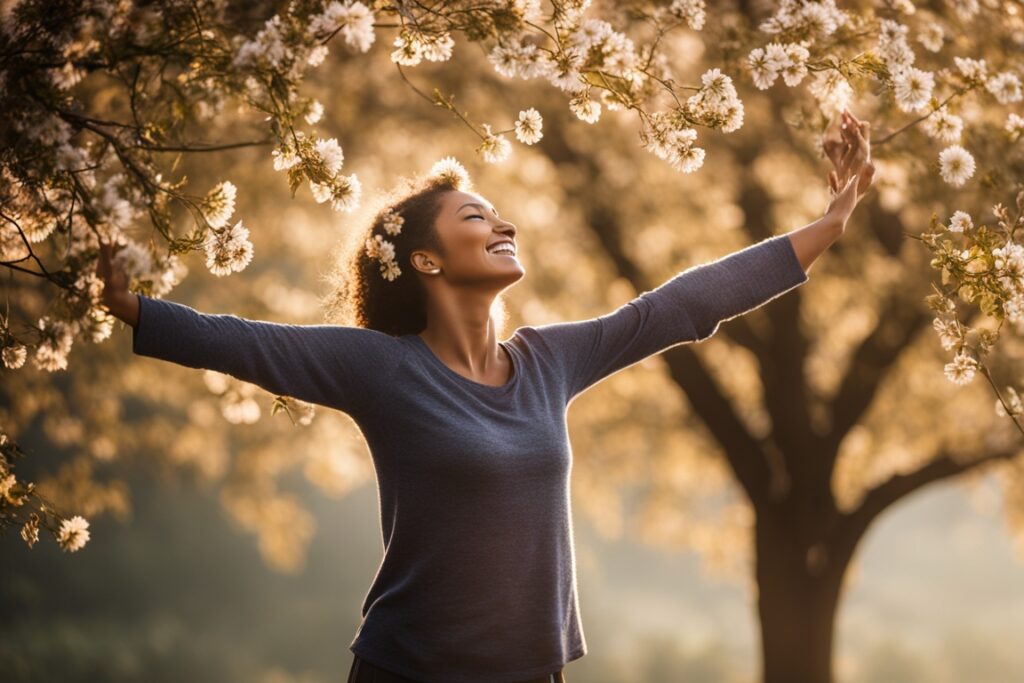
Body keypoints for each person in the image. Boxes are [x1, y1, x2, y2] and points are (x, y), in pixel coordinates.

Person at [96, 109, 874, 683]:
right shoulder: (381, 368)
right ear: (427, 260)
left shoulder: (548, 361)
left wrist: (826, 226)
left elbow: (676, 306)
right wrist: (138, 309)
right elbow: (252, 343)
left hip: (536, 672)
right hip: (411, 672)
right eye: (477, 216)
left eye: (499, 213)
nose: (503, 223)